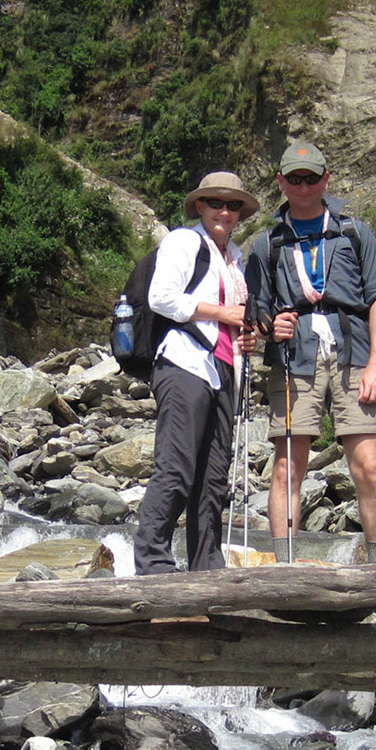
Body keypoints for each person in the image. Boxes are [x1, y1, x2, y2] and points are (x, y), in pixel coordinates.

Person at [246, 140, 376, 562]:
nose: (303, 185)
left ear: (326, 179)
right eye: (294, 178)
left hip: (353, 354)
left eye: (311, 177)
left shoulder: (354, 232)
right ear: (281, 182)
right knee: (286, 468)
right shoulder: (267, 245)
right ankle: (286, 569)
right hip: (295, 359)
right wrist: (270, 327)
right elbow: (256, 313)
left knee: (368, 465)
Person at [132, 171, 256, 574]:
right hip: (184, 364)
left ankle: (207, 565)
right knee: (177, 467)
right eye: (216, 203)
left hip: (223, 372)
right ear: (199, 206)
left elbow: (235, 321)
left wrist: (247, 335)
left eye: (233, 205)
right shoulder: (185, 241)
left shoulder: (235, 258)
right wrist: (225, 313)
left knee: (213, 478)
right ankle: (153, 563)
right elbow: (161, 297)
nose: (225, 211)